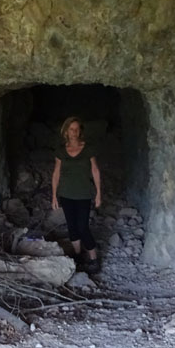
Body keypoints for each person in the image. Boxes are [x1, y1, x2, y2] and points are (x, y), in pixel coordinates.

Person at [51, 116, 102, 274]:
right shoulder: (61, 150)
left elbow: (95, 170)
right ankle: (78, 256)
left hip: (83, 193)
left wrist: (99, 193)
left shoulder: (88, 148)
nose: (74, 132)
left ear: (80, 131)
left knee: (83, 227)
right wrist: (54, 195)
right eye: (71, 129)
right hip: (66, 193)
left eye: (77, 129)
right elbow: (56, 173)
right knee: (72, 226)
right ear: (66, 131)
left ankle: (94, 259)